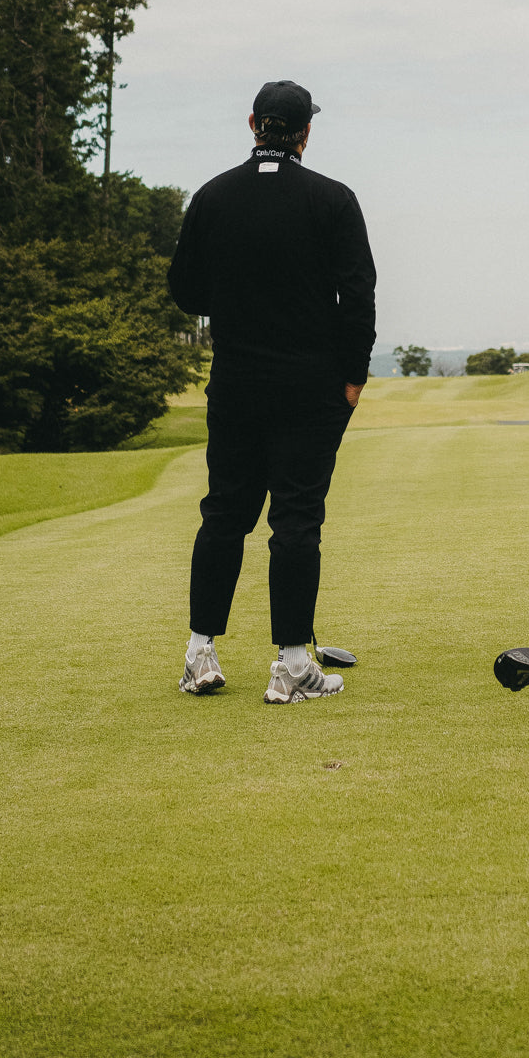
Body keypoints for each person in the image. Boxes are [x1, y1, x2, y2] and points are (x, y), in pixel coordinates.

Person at [168, 80, 377, 704]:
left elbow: (185, 288)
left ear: (253, 123)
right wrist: (353, 376)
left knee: (225, 512)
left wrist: (229, 299)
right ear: (305, 132)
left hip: (234, 382)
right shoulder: (333, 199)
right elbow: (358, 294)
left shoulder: (212, 196)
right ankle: (290, 663)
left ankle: (200, 652)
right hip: (310, 386)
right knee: (295, 519)